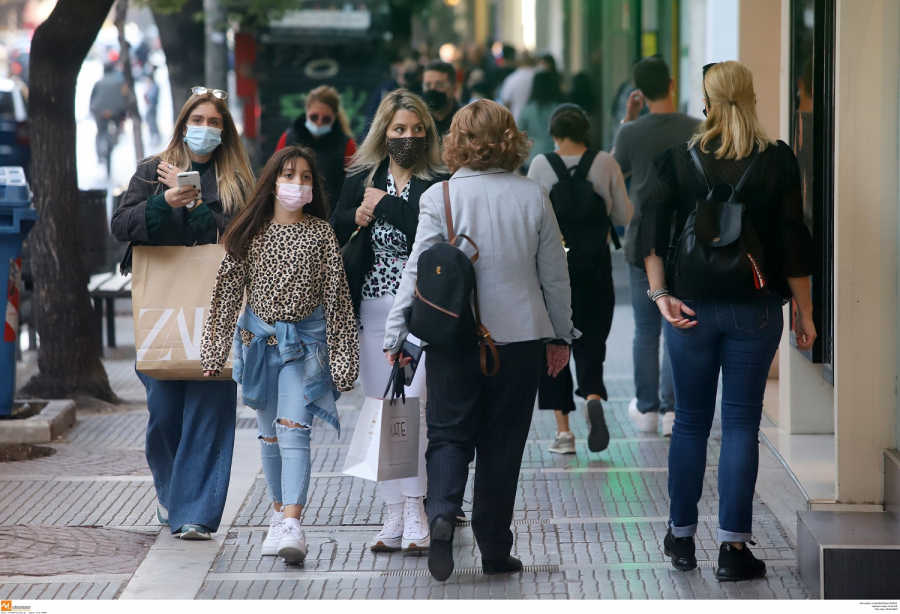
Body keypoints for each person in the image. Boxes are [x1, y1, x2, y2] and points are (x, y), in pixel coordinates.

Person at [383, 100, 578, 581]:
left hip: (454, 337)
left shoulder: (440, 197)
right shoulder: (533, 196)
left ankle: (444, 513)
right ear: (510, 140)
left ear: (456, 142)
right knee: (503, 444)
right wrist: (561, 335)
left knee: (448, 434)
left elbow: (417, 271)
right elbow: (555, 276)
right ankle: (494, 549)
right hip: (520, 339)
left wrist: (397, 334)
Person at [636, 60, 815, 581]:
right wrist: (805, 311)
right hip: (754, 310)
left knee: (690, 421)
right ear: (753, 97)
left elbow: (651, 226)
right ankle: (734, 550)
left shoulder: (679, 160)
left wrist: (660, 293)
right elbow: (791, 241)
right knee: (741, 423)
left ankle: (682, 538)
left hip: (689, 306)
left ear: (707, 101)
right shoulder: (777, 161)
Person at [200, 145, 359, 564]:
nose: (298, 185)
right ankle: (277, 514)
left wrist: (344, 362)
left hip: (304, 350)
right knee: (268, 436)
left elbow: (338, 301)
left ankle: (293, 522)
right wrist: (213, 350)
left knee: (294, 430)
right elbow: (225, 295)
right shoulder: (248, 231)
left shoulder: (321, 233)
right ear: (272, 182)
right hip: (257, 348)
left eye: (306, 177)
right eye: (289, 176)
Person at [112, 87, 255, 540]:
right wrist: (162, 202)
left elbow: (245, 235)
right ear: (182, 123)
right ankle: (173, 493)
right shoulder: (152, 172)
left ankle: (195, 513)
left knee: (210, 411)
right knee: (164, 413)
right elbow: (121, 223)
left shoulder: (237, 181)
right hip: (162, 308)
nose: (207, 129)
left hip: (218, 306)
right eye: (199, 120)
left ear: (225, 131)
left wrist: (193, 202)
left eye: (216, 122)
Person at [331, 89, 446, 553]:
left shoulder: (437, 181)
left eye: (417, 130)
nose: (408, 137)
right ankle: (393, 511)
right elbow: (333, 226)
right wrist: (356, 212)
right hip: (371, 312)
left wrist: (384, 206)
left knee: (413, 412)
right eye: (399, 129)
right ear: (383, 131)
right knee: (383, 412)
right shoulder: (363, 176)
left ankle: (416, 507)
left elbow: (432, 231)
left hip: (420, 314)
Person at [528, 104, 632, 456]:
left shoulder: (542, 164)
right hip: (596, 268)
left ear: (555, 132)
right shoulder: (604, 162)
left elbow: (530, 219)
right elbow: (623, 215)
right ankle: (592, 396)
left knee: (553, 344)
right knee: (591, 344)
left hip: (552, 268)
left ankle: (564, 434)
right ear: (584, 130)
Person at [613, 55, 701, 437]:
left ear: (640, 92)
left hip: (641, 241)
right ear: (672, 84)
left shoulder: (631, 132)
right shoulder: (696, 127)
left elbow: (615, 172)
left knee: (645, 329)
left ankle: (647, 407)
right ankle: (671, 409)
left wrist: (628, 119)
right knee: (677, 325)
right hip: (684, 240)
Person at [275, 85, 357, 206]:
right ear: (306, 111)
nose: (319, 122)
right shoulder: (288, 138)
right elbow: (274, 174)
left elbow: (355, 185)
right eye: (314, 117)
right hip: (292, 209)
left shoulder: (346, 144)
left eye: (326, 119)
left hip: (332, 214)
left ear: (334, 117)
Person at [360, 48, 421, 142]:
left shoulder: (419, 90)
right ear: (399, 66)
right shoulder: (385, 89)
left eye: (413, 69)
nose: (411, 72)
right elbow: (371, 117)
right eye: (408, 68)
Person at [516, 70, 565, 170]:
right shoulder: (559, 109)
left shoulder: (527, 110)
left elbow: (518, 134)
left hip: (532, 158)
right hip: (555, 157)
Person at [90, 62, 128, 167]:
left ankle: (99, 154)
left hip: (100, 111)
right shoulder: (119, 82)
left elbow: (92, 100)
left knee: (100, 132)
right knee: (116, 129)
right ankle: (113, 141)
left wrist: (93, 111)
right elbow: (124, 98)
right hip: (116, 111)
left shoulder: (98, 83)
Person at [421, 60, 460, 137]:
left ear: (453, 89)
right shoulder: (419, 119)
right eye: (428, 85)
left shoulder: (464, 119)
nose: (432, 89)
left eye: (439, 85)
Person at [498, 51, 536, 120]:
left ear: (517, 62)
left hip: (517, 119)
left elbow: (506, 102)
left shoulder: (511, 79)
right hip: (538, 121)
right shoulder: (538, 77)